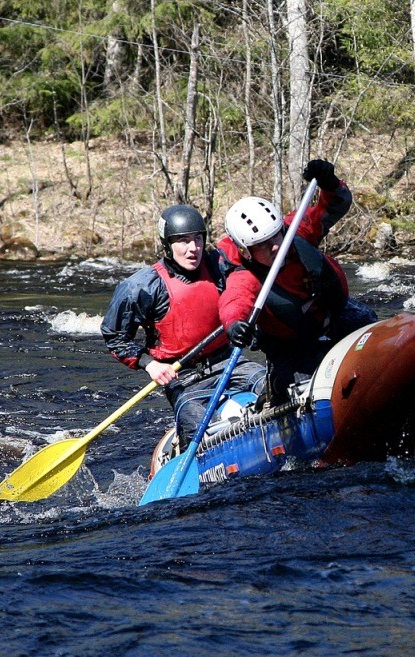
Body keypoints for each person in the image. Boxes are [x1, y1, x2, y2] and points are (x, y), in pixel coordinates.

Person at [101, 204, 265, 448]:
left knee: (267, 383)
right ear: (167, 245)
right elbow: (115, 335)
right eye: (183, 241)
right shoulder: (141, 287)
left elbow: (254, 274)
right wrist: (149, 364)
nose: (193, 249)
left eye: (198, 239)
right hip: (184, 378)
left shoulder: (218, 265)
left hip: (230, 362)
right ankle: (187, 447)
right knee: (198, 427)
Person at [217, 159, 376, 406]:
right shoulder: (244, 275)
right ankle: (275, 396)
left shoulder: (296, 231)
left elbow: (335, 205)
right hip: (291, 344)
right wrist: (235, 325)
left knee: (370, 328)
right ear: (246, 251)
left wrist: (330, 182)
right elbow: (234, 302)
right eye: (263, 245)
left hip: (336, 317)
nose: (276, 246)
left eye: (276, 236)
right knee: (301, 385)